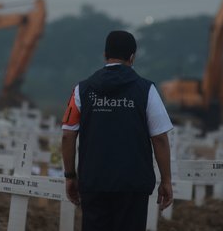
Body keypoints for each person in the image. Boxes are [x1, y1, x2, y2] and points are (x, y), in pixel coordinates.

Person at [61, 30, 173, 231]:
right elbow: (160, 139)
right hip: (133, 184)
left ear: (105, 55)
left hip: (94, 182)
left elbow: (68, 135)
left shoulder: (81, 89)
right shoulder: (147, 90)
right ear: (132, 57)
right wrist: (166, 180)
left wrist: (70, 175)